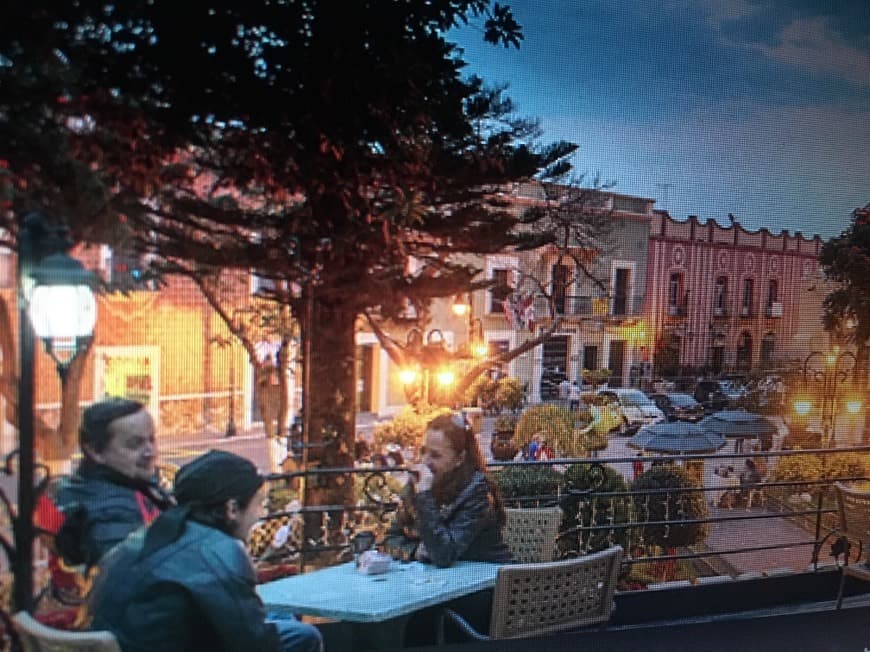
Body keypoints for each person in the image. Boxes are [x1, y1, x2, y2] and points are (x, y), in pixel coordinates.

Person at [83, 450, 322, 652]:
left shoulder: (150, 533)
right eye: (259, 503)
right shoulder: (220, 551)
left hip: (137, 641)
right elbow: (256, 644)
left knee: (282, 618)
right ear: (231, 508)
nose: (261, 514)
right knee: (305, 635)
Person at [53, 398, 173, 569]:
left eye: (152, 440)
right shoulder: (108, 511)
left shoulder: (129, 484)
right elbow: (134, 576)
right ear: (95, 451)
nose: (150, 452)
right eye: (134, 444)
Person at [384, 413, 512, 567]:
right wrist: (413, 551)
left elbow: (443, 554)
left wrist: (424, 495)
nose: (425, 462)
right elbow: (389, 538)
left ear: (459, 459)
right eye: (423, 451)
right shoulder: (420, 483)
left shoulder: (476, 490)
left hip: (490, 582)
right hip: (445, 582)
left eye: (436, 455)